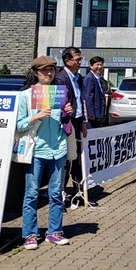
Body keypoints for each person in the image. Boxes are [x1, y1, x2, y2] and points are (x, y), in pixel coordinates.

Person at [17, 55, 74, 250]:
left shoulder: (59, 92)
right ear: (35, 73)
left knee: (56, 193)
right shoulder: (25, 95)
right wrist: (36, 117)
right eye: (44, 70)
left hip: (58, 149)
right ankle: (30, 234)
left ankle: (54, 232)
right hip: (36, 150)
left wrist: (68, 111)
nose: (48, 73)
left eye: (51, 70)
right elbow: (18, 125)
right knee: (31, 193)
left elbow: (65, 121)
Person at [54, 47, 88, 190]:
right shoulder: (60, 79)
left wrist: (84, 122)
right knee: (67, 159)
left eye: (81, 58)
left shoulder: (78, 77)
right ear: (67, 61)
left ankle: (78, 191)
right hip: (67, 122)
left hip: (78, 120)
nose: (80, 61)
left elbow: (81, 100)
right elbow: (59, 104)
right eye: (77, 59)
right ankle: (60, 193)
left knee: (78, 159)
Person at [83, 56, 107, 128]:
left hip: (98, 113)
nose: (99, 67)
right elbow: (88, 97)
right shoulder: (90, 78)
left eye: (101, 65)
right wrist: (91, 113)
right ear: (91, 66)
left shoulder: (98, 78)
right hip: (93, 115)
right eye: (97, 64)